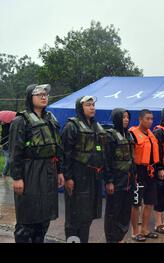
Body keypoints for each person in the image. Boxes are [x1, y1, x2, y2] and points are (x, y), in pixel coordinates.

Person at [9, 84, 64, 243]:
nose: (43, 96)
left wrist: (59, 171)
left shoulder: (50, 119)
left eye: (45, 93)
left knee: (44, 217)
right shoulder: (21, 121)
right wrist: (17, 177)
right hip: (29, 172)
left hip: (48, 171)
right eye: (39, 93)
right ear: (29, 97)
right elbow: (15, 151)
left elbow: (57, 147)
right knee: (27, 219)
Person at [62, 96, 107, 243]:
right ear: (80, 107)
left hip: (93, 177)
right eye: (88, 105)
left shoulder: (96, 126)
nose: (92, 107)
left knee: (87, 216)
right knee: (74, 218)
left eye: (93, 105)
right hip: (77, 176)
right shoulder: (71, 126)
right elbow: (65, 154)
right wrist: (68, 177)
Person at [104, 108, 135, 243]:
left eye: (127, 117)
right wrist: (109, 181)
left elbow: (132, 159)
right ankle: (112, 239)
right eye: (123, 117)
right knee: (113, 212)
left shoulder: (129, 135)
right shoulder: (110, 136)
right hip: (116, 181)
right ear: (117, 118)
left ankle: (119, 238)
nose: (126, 120)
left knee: (125, 212)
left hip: (128, 180)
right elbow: (107, 160)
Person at [129, 109, 160, 241]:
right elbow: (129, 156)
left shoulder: (151, 134)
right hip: (138, 173)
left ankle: (145, 229)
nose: (150, 121)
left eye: (151, 119)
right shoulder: (132, 134)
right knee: (136, 204)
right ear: (140, 119)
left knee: (150, 202)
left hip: (151, 173)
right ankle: (135, 232)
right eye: (147, 119)